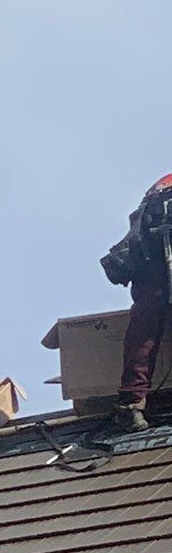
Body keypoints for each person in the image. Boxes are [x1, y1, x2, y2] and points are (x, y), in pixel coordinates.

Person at [101, 171, 172, 431]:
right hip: (154, 244)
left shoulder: (162, 185)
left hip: (150, 245)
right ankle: (131, 403)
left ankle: (131, 404)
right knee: (147, 320)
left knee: (147, 321)